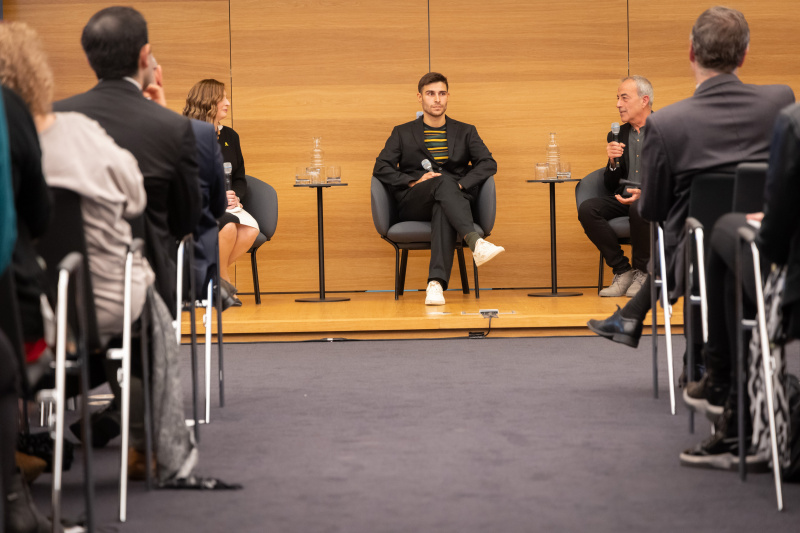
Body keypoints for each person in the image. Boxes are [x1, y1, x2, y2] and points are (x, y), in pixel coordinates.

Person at [586, 6, 795, 352]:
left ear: (691, 53)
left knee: (685, 225)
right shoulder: (781, 100)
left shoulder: (668, 123)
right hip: (767, 240)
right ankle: (636, 316)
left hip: (698, 249)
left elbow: (653, 209)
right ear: (743, 55)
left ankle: (683, 349)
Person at [54, 6, 201, 314]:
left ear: (90, 59)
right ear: (145, 56)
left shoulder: (55, 118)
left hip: (64, 292)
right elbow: (186, 221)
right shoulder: (172, 127)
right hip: (147, 295)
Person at [679, 102, 800, 469]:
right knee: (735, 253)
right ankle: (728, 400)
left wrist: (775, 221)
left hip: (792, 286)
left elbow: (773, 243)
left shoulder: (793, 122)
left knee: (727, 231)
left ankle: (726, 393)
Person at [373, 72, 504, 306]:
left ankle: (435, 285)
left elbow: (488, 163)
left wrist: (460, 184)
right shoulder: (402, 132)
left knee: (443, 202)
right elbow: (381, 167)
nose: (437, 99)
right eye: (430, 94)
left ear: (448, 96)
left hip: (452, 201)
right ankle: (475, 242)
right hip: (415, 202)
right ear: (420, 97)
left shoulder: (466, 131)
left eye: (442, 94)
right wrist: (413, 182)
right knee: (442, 182)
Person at [183, 79, 259, 304]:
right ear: (207, 102)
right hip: (198, 204)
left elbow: (240, 177)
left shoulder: (230, 136)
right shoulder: (186, 135)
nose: (228, 102)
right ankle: (222, 287)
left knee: (251, 230)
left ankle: (206, 283)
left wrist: (236, 195)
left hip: (228, 205)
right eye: (222, 98)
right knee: (229, 228)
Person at [578, 76, 653, 297]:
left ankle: (644, 272)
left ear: (644, 100)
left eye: (624, 98)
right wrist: (612, 162)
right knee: (588, 208)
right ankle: (623, 270)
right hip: (623, 197)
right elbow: (611, 185)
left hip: (655, 199)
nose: (618, 104)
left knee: (639, 207)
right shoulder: (617, 134)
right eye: (618, 98)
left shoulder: (667, 130)